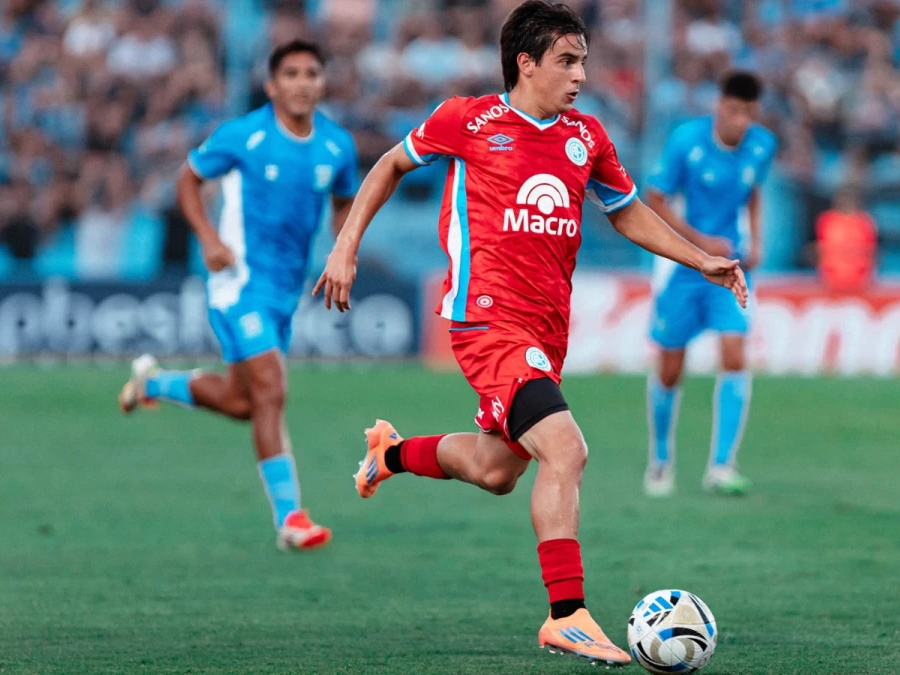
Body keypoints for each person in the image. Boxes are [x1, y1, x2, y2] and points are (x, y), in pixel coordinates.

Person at [313, 1, 746, 665]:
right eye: (567, 61)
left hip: (545, 331)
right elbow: (390, 166)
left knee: (497, 469)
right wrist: (345, 246)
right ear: (527, 62)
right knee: (566, 450)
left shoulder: (588, 137)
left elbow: (627, 215)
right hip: (486, 320)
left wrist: (701, 257)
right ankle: (565, 612)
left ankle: (390, 453)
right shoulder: (468, 119)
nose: (580, 75)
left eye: (583, 61)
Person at [118, 40, 358, 551]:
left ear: (322, 83)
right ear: (272, 86)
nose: (302, 82)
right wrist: (207, 238)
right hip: (237, 285)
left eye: (311, 72)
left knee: (243, 402)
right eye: (290, 73)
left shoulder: (337, 146)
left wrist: (345, 246)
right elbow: (187, 179)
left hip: (285, 293)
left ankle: (154, 386)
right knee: (271, 389)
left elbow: (344, 203)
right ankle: (290, 518)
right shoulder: (243, 135)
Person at [643, 70, 776, 498]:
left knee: (735, 354)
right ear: (719, 105)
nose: (741, 121)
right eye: (734, 110)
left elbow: (753, 189)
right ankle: (660, 460)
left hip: (731, 268)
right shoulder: (686, 141)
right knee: (670, 366)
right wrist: (699, 245)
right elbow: (655, 197)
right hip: (683, 266)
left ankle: (722, 465)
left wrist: (756, 237)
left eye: (748, 113)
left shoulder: (762, 145)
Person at [815, 183, 877, 292]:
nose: (847, 203)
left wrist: (868, 276)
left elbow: (870, 250)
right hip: (832, 276)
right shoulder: (827, 220)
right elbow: (822, 248)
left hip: (859, 278)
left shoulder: (865, 221)